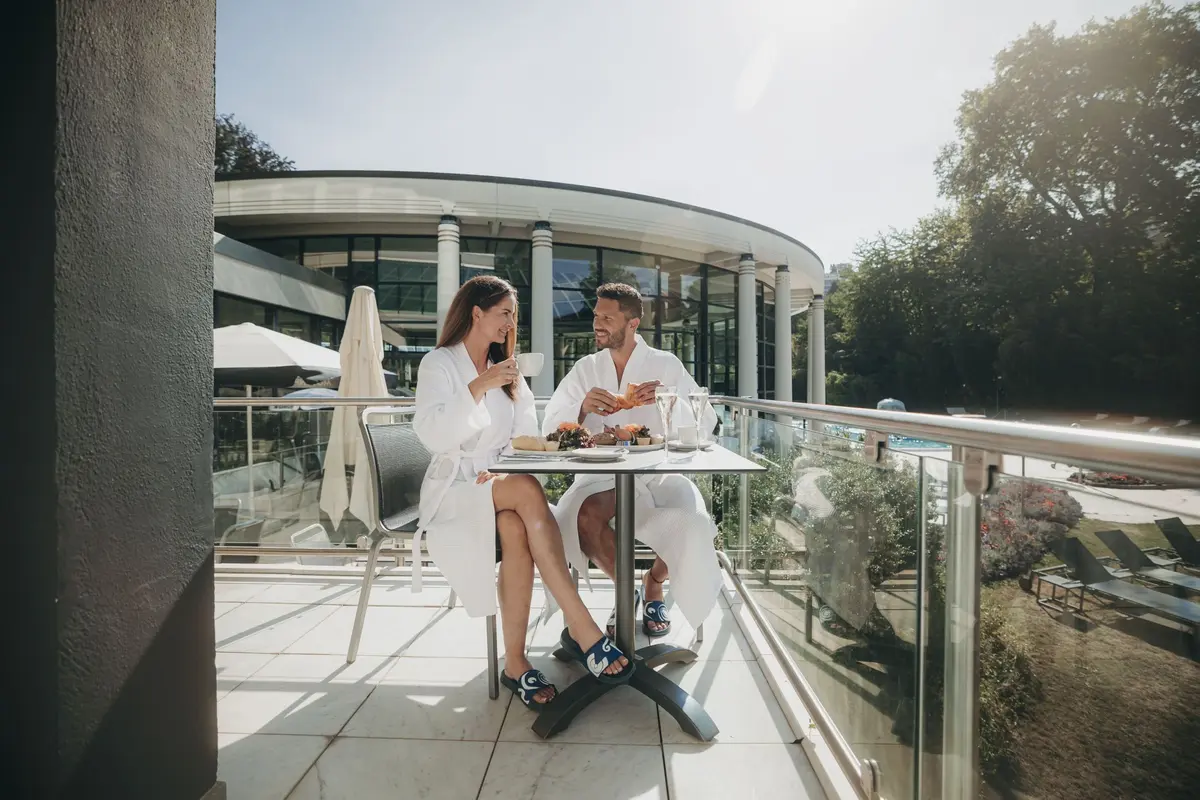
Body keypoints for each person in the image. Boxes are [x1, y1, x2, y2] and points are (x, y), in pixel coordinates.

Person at [412, 276, 633, 709]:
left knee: (515, 527)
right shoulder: (438, 364)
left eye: (513, 315)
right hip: (456, 489)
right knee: (528, 491)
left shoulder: (508, 369)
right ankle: (584, 628)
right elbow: (433, 435)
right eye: (505, 313)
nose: (511, 323)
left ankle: (515, 664)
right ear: (476, 313)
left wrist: (503, 463)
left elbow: (527, 434)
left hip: (497, 486)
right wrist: (479, 386)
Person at [541, 282, 722, 640]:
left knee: (695, 522)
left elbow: (707, 423)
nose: (598, 324)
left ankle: (653, 582)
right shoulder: (585, 369)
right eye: (596, 316)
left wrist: (669, 399)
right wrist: (580, 408)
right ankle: (627, 592)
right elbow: (549, 427)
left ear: (633, 323)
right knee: (582, 516)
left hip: (660, 473)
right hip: (601, 475)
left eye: (608, 318)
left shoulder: (665, 365)